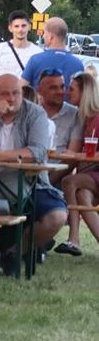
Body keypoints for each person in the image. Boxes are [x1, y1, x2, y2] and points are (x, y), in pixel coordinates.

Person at [0, 73, 66, 273]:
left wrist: (5, 156)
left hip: (30, 183)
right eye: (5, 94)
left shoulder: (35, 113)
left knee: (57, 217)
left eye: (16, 93)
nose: (11, 98)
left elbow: (38, 151)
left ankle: (13, 253)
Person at [57, 72, 99, 256]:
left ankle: (74, 238)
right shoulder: (85, 118)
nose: (67, 92)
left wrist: (77, 154)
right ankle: (74, 242)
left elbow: (82, 155)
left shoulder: (97, 117)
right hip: (92, 175)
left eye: (72, 89)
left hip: (95, 173)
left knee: (69, 182)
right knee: (82, 195)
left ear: (85, 92)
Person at [0, 11, 43, 89]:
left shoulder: (38, 52)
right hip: (5, 95)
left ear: (29, 27)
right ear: (10, 28)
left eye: (23, 26)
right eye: (16, 26)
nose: (20, 30)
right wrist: (5, 88)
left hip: (28, 96)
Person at [22, 17, 83, 91]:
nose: (43, 36)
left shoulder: (35, 60)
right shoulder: (78, 64)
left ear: (50, 37)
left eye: (44, 33)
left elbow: (22, 87)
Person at [37, 68, 82, 157]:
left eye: (62, 87)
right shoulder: (32, 114)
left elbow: (72, 157)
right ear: (40, 90)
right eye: (53, 88)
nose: (60, 92)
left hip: (61, 165)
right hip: (32, 165)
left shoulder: (74, 114)